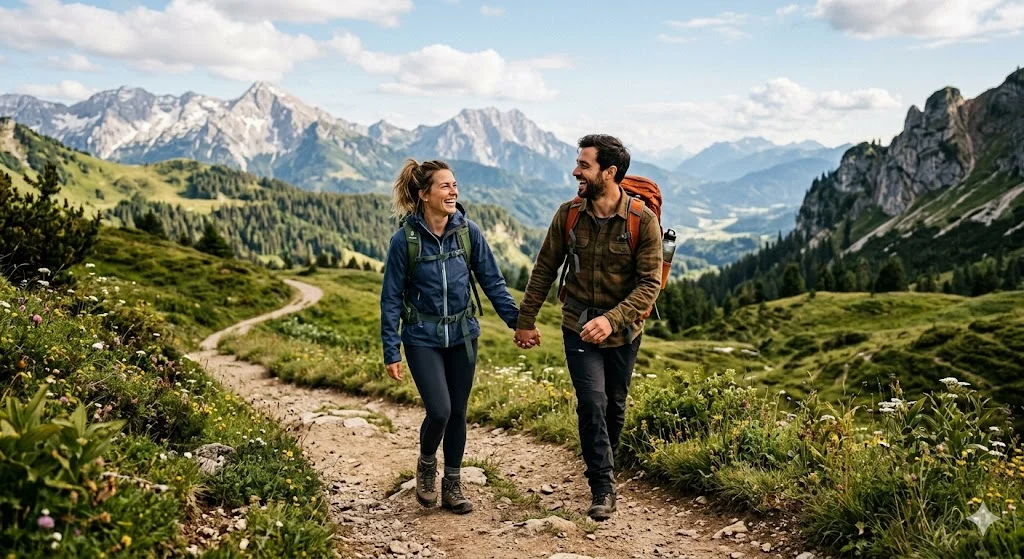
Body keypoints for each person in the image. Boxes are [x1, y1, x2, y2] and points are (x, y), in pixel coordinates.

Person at [514, 134, 663, 521]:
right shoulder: (569, 214)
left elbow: (650, 284)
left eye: (584, 165)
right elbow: (545, 268)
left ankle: (605, 464)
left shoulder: (641, 221)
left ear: (609, 172)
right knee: (592, 403)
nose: (576, 171)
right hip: (577, 326)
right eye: (578, 163)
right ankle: (602, 486)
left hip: (624, 329)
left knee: (615, 405)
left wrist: (611, 319)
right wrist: (525, 320)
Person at [380, 158, 520, 515]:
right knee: (439, 411)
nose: (453, 191)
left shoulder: (467, 232)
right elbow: (391, 297)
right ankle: (427, 463)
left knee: (458, 411)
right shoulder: (405, 241)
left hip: (463, 335)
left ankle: (453, 483)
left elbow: (493, 282)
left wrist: (517, 322)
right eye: (445, 186)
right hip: (421, 337)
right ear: (424, 194)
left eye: (455, 185)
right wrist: (391, 349)